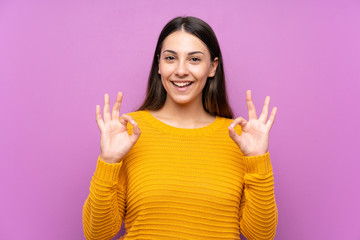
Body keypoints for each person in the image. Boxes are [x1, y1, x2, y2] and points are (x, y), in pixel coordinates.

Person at [82, 16, 278, 240]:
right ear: (159, 64)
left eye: (194, 59)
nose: (181, 70)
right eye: (170, 58)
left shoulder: (240, 139)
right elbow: (97, 234)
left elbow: (261, 236)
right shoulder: (128, 132)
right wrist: (109, 161)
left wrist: (257, 159)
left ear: (212, 67)